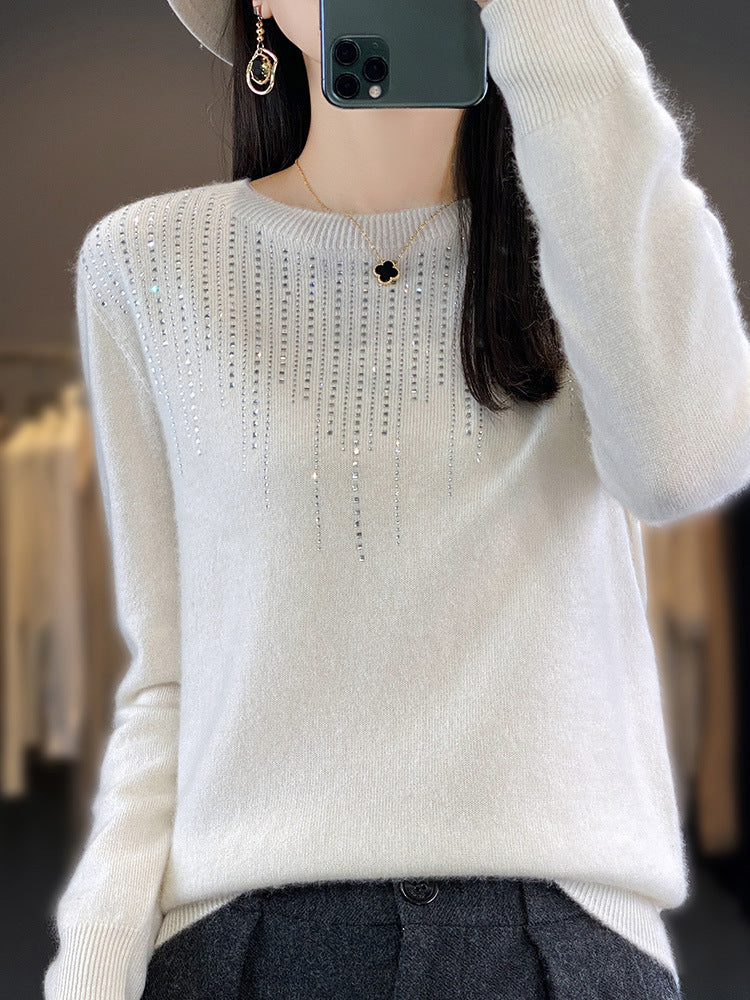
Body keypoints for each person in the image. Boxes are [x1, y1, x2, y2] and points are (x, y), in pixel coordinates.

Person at [43, 0, 750, 998]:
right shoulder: (147, 263)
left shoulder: (587, 240)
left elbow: (685, 460)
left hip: (563, 941)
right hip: (245, 943)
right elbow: (169, 678)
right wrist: (92, 966)